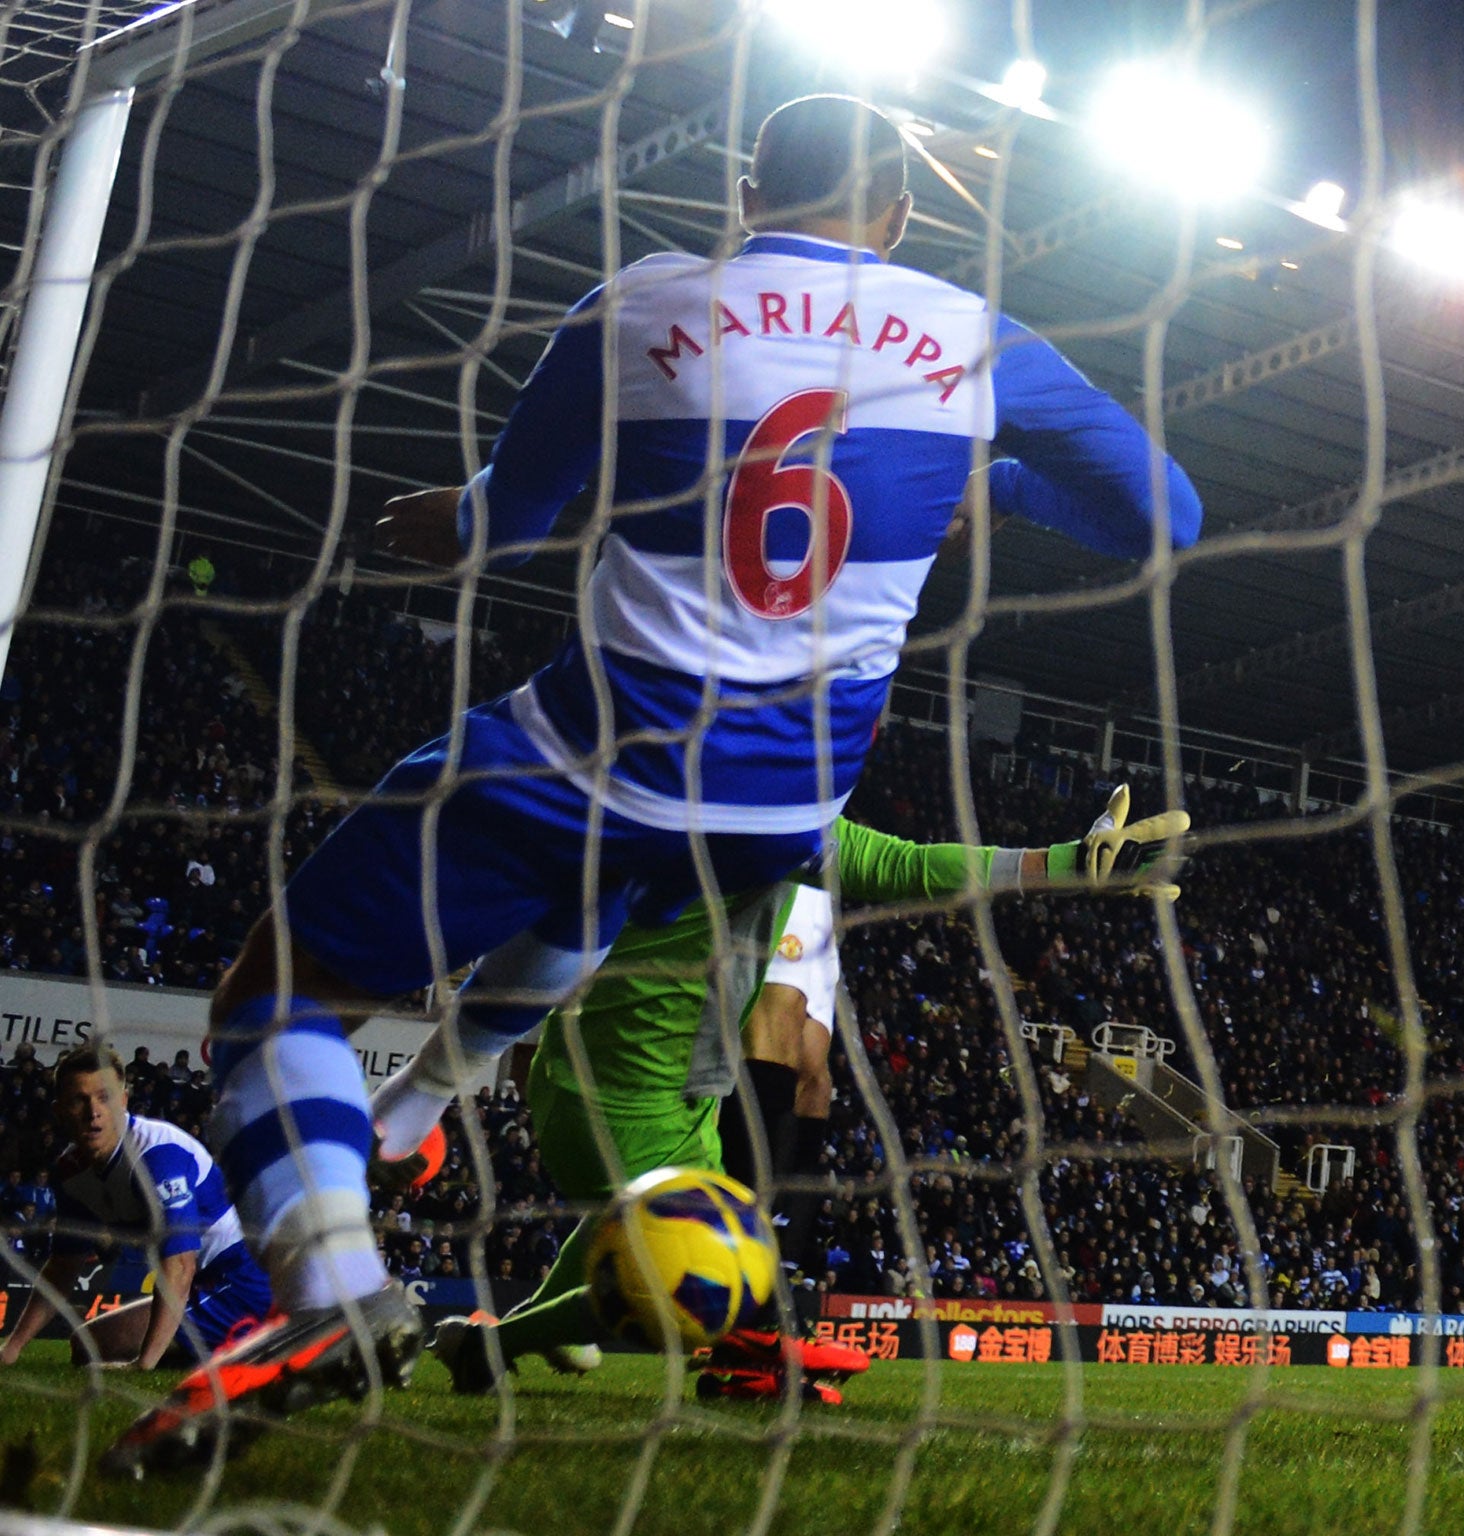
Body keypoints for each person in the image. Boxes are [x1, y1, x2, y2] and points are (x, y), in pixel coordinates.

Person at [111, 92, 1199, 1476]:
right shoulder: (980, 339)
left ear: (748, 190)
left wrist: (443, 519)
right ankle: (428, 1105)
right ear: (902, 219)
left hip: (603, 762)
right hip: (783, 812)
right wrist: (994, 480)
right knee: (610, 892)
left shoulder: (640, 303)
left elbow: (505, 525)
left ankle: (333, 1298)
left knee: (273, 999)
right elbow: (1170, 515)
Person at [429, 787, 1185, 1403]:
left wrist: (1066, 862)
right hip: (621, 1099)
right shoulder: (762, 818)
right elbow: (911, 869)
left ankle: (511, 1335)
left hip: (649, 1084)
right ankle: (498, 1341)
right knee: (690, 1286)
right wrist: (1063, 863)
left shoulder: (689, 790)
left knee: (640, 1231)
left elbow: (910, 864)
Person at [0, 1046, 269, 1371]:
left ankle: (255, 1344)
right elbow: (63, 1266)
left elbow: (180, 1267)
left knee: (110, 1345)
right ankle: (217, 1350)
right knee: (87, 1345)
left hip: (240, 1276)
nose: (93, 1112)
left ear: (124, 1101)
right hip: (201, 1281)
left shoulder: (158, 1156)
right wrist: (11, 1349)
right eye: (79, 1100)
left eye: (104, 1098)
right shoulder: (72, 1173)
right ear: (59, 1111)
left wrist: (144, 1364)